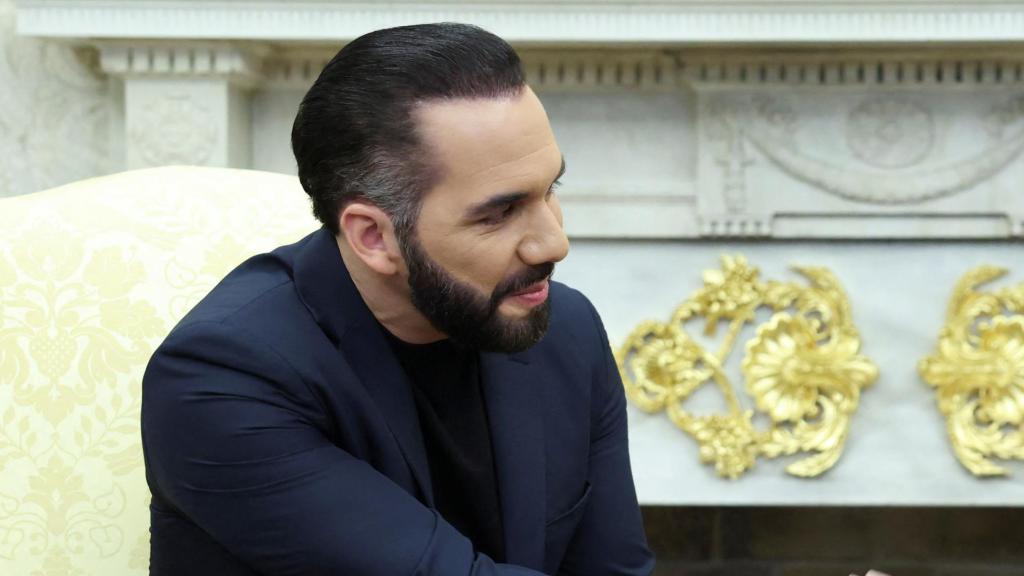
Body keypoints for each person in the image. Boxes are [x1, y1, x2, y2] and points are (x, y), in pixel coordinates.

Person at [141, 22, 654, 576]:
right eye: (500, 213)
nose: (555, 241)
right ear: (373, 237)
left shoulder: (564, 330)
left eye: (550, 189)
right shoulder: (220, 380)